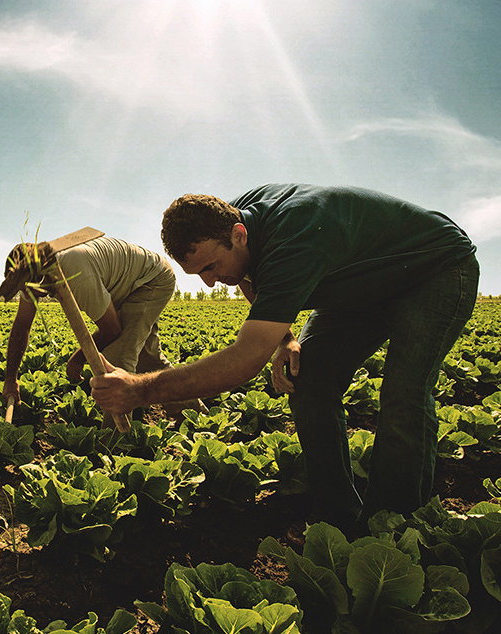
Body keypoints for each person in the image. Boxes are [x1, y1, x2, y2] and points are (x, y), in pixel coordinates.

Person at [90, 183, 479, 530]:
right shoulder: (236, 223)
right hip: (356, 286)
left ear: (238, 235)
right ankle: (340, 519)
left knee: (404, 393)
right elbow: (244, 276)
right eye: (198, 274)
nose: (210, 281)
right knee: (306, 379)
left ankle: (393, 527)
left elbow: (246, 359)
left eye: (211, 266)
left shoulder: (295, 239)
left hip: (433, 270)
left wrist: (140, 391)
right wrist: (285, 339)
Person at [1, 236, 204, 424]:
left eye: (24, 287)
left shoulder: (73, 274)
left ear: (38, 275)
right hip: (129, 285)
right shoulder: (35, 279)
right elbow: (22, 327)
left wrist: (79, 359)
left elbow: (112, 329)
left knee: (119, 354)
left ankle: (114, 443)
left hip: (150, 280)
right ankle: (196, 417)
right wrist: (10, 379)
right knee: (149, 359)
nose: (24, 293)